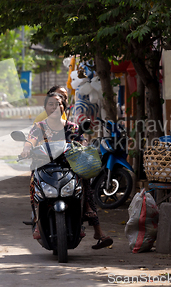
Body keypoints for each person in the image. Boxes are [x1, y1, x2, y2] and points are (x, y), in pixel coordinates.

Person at [21, 92, 113, 250]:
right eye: (51, 104)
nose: (55, 107)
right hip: (45, 166)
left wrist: (85, 146)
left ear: (63, 107)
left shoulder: (72, 127)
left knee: (85, 181)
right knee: (33, 181)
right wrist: (26, 149)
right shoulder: (39, 127)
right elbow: (31, 140)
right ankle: (37, 221)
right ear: (45, 107)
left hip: (68, 167)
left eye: (59, 103)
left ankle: (97, 229)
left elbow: (81, 139)